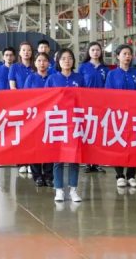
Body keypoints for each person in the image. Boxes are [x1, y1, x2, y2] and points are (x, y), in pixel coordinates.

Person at [47, 48, 85, 203]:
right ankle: (59, 189)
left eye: (70, 58)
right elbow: (46, 99)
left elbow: (86, 98)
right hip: (58, 121)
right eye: (63, 58)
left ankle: (73, 189)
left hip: (76, 121)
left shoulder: (79, 78)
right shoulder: (52, 79)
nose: (67, 61)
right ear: (58, 61)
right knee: (58, 158)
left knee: (74, 157)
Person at [105, 44, 136, 188]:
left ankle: (131, 175)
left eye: (129, 54)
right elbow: (108, 94)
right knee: (118, 144)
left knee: (133, 144)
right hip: (118, 114)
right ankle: (120, 175)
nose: (127, 56)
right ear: (118, 56)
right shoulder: (112, 74)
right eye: (124, 54)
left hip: (134, 114)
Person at [24, 52, 53, 187]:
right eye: (39, 61)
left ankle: (48, 175)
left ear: (48, 63)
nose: (42, 63)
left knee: (49, 146)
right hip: (34, 117)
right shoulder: (30, 78)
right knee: (34, 146)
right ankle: (37, 176)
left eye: (44, 61)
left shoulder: (52, 78)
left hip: (50, 117)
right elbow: (26, 97)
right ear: (35, 63)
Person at [79, 41, 108, 173]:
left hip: (101, 104)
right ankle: (87, 162)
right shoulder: (83, 67)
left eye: (97, 50)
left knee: (98, 133)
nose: (95, 52)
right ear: (88, 52)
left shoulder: (105, 69)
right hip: (86, 104)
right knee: (87, 132)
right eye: (93, 50)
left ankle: (97, 162)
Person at [9, 42, 34, 174]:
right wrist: (22, 98)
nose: (26, 52)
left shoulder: (35, 66)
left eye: (28, 50)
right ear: (19, 53)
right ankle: (21, 162)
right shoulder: (14, 67)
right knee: (21, 134)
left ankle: (32, 163)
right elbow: (12, 86)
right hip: (20, 104)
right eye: (23, 50)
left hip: (35, 105)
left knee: (32, 134)